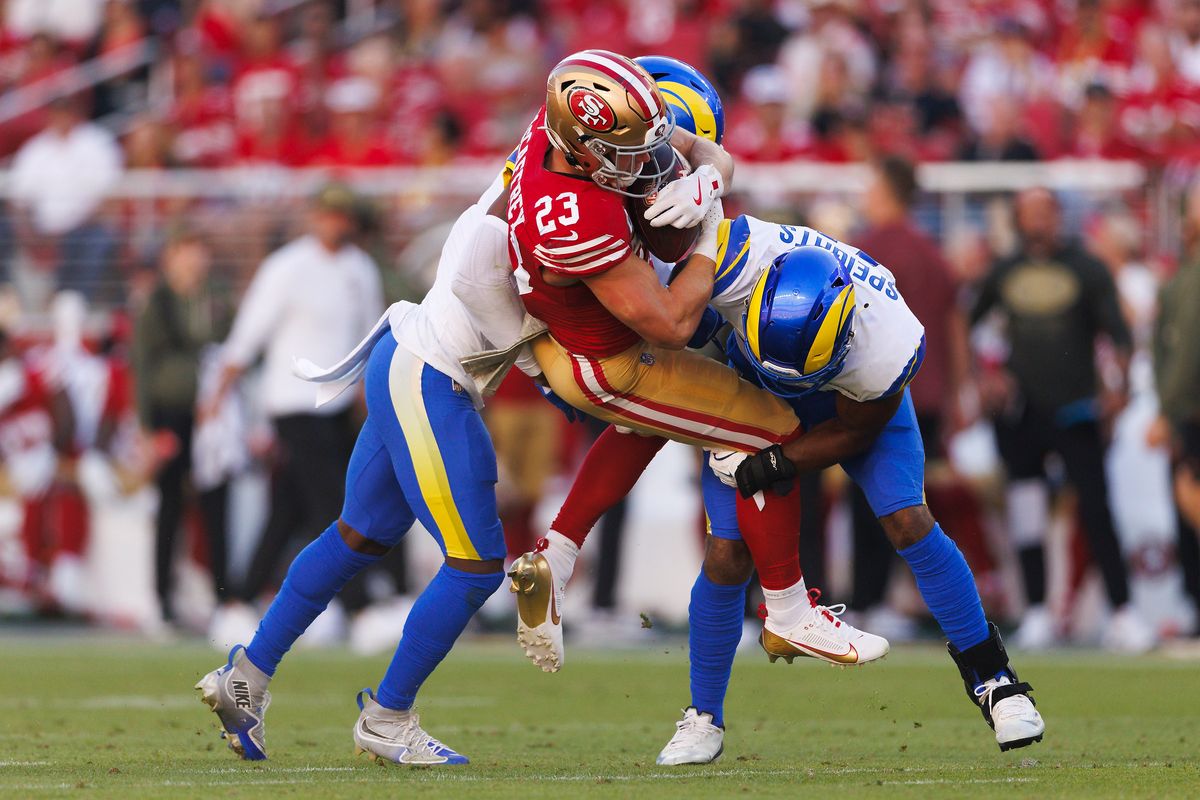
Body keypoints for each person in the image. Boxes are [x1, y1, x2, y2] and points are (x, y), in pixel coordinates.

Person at [540, 215, 1047, 762]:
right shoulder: (725, 266)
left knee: (908, 520)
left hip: (845, 406)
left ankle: (997, 682)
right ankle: (703, 715)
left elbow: (855, 431)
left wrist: (779, 460)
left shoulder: (887, 343)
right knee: (727, 551)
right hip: (749, 389)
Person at [504, 50, 882, 677]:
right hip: (613, 363)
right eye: (627, 155)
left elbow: (702, 152)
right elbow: (675, 325)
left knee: (646, 427)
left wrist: (707, 174)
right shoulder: (575, 212)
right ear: (584, 148)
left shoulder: (563, 126)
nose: (646, 166)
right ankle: (789, 611)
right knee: (775, 429)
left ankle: (559, 555)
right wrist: (710, 221)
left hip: (567, 335)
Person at [196, 162, 554, 764]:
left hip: (403, 356)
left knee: (356, 535)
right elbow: (473, 269)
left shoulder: (543, 171)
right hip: (430, 373)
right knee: (474, 566)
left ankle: (248, 677)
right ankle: (388, 716)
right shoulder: (565, 197)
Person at [968, 188, 1150, 653]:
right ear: (1016, 219)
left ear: (1058, 217)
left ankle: (1123, 611)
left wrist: (1120, 389)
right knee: (1026, 510)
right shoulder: (1004, 271)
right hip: (1021, 413)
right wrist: (983, 379)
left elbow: (1120, 334)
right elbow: (966, 324)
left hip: (1076, 407)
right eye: (1029, 213)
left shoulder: (1085, 268)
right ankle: (1036, 611)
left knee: (1095, 506)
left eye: (1045, 212)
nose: (1038, 221)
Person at [206, 184, 383, 640]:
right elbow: (251, 328)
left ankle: (238, 598)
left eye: (342, 216)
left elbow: (370, 333)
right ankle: (360, 606)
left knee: (288, 507)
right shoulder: (287, 267)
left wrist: (371, 391)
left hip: (336, 403)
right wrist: (221, 388)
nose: (335, 224)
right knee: (333, 505)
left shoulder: (359, 268)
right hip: (292, 400)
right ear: (314, 217)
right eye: (328, 215)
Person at [847, 156, 981, 637]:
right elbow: (955, 326)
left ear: (887, 192)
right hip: (928, 392)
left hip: (876, 391)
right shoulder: (933, 254)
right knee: (914, 504)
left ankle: (867, 599)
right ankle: (901, 598)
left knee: (872, 500)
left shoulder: (864, 250)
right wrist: (961, 393)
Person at [132, 228, 232, 625]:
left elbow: (233, 344)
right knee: (170, 506)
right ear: (171, 256)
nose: (194, 262)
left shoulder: (217, 298)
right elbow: (141, 365)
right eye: (187, 252)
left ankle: (226, 598)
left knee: (216, 504)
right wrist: (145, 427)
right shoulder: (156, 302)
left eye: (199, 252)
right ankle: (160, 599)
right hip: (171, 412)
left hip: (213, 415)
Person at [8, 95, 122, 304]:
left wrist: (68, 231)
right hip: (41, 232)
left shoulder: (96, 143)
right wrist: (30, 234)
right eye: (56, 113)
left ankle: (74, 304)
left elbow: (109, 198)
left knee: (94, 240)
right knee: (4, 230)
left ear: (74, 113)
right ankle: (11, 304)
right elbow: (17, 201)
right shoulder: (36, 149)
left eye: (65, 112)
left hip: (85, 228)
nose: (61, 119)